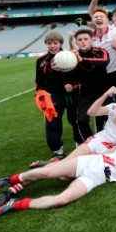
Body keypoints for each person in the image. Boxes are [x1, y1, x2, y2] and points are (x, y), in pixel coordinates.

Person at [0, 106, 116, 221]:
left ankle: (13, 205)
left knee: (62, 200)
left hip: (98, 177)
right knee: (47, 173)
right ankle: (10, 180)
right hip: (92, 162)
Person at [34, 31, 81, 162]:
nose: (52, 46)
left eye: (55, 43)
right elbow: (40, 82)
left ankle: (80, 144)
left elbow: (79, 75)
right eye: (49, 43)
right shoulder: (41, 61)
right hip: (55, 96)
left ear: (61, 43)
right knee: (52, 123)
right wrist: (40, 94)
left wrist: (73, 84)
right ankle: (57, 151)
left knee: (77, 120)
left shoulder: (70, 56)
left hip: (73, 95)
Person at [72, 28, 110, 140]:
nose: (83, 41)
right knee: (81, 120)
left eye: (85, 39)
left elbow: (104, 62)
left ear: (91, 40)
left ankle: (113, 143)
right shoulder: (72, 56)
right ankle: (91, 144)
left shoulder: (101, 51)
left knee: (110, 118)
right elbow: (70, 75)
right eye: (80, 39)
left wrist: (82, 59)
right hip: (86, 93)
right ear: (76, 42)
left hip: (104, 92)